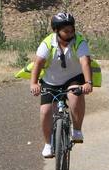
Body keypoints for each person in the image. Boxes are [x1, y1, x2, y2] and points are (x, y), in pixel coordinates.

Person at [29, 11, 93, 159]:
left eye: (72, 30)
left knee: (75, 97)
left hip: (73, 78)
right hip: (51, 80)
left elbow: (85, 62)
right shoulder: (47, 43)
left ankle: (77, 130)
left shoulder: (79, 41)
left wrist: (88, 82)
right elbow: (38, 63)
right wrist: (33, 83)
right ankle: (48, 144)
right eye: (66, 31)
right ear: (56, 31)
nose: (70, 34)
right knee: (45, 111)